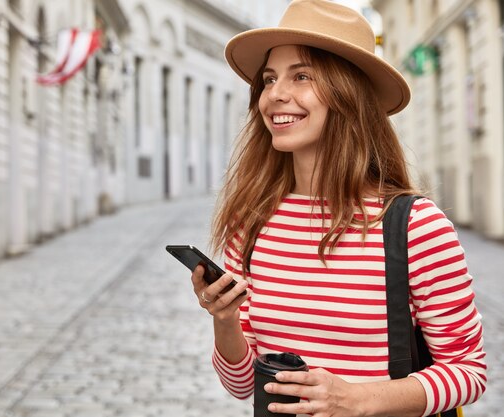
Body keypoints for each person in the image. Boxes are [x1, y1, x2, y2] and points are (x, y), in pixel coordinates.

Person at [189, 1, 487, 416]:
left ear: (348, 95)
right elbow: (241, 385)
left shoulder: (415, 227)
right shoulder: (251, 223)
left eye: (303, 76)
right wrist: (224, 320)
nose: (275, 94)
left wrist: (355, 399)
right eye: (270, 78)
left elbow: (468, 372)